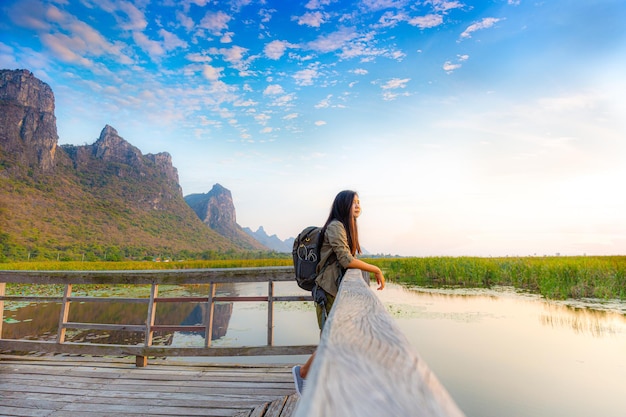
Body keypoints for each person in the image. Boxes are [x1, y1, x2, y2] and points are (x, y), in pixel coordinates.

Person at [292, 190, 385, 396]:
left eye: (359, 202)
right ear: (343, 205)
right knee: (332, 340)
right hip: (327, 290)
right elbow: (346, 259)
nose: (358, 206)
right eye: (354, 203)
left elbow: (346, 258)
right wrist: (376, 269)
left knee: (337, 339)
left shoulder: (344, 227)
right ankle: (303, 373)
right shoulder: (336, 226)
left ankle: (329, 382)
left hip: (336, 289)